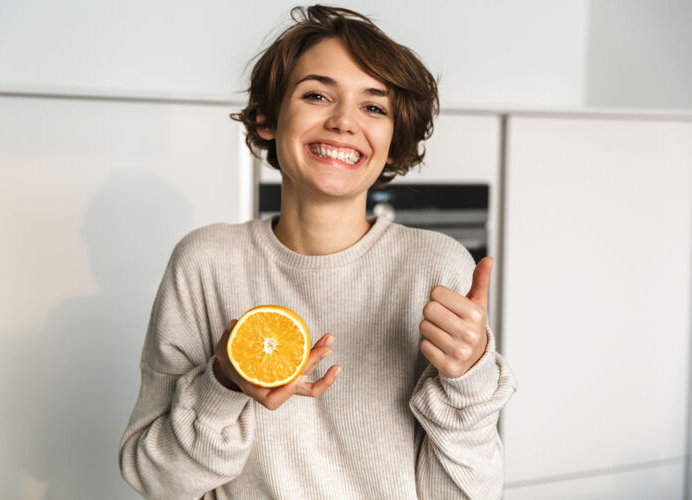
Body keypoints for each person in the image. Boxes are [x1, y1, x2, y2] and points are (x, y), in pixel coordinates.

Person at [118, 4, 517, 499]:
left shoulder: (435, 268)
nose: (344, 121)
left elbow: (465, 494)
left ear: (393, 144)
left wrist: (470, 381)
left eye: (374, 107)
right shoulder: (205, 262)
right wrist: (223, 383)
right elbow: (154, 479)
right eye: (316, 95)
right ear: (267, 117)